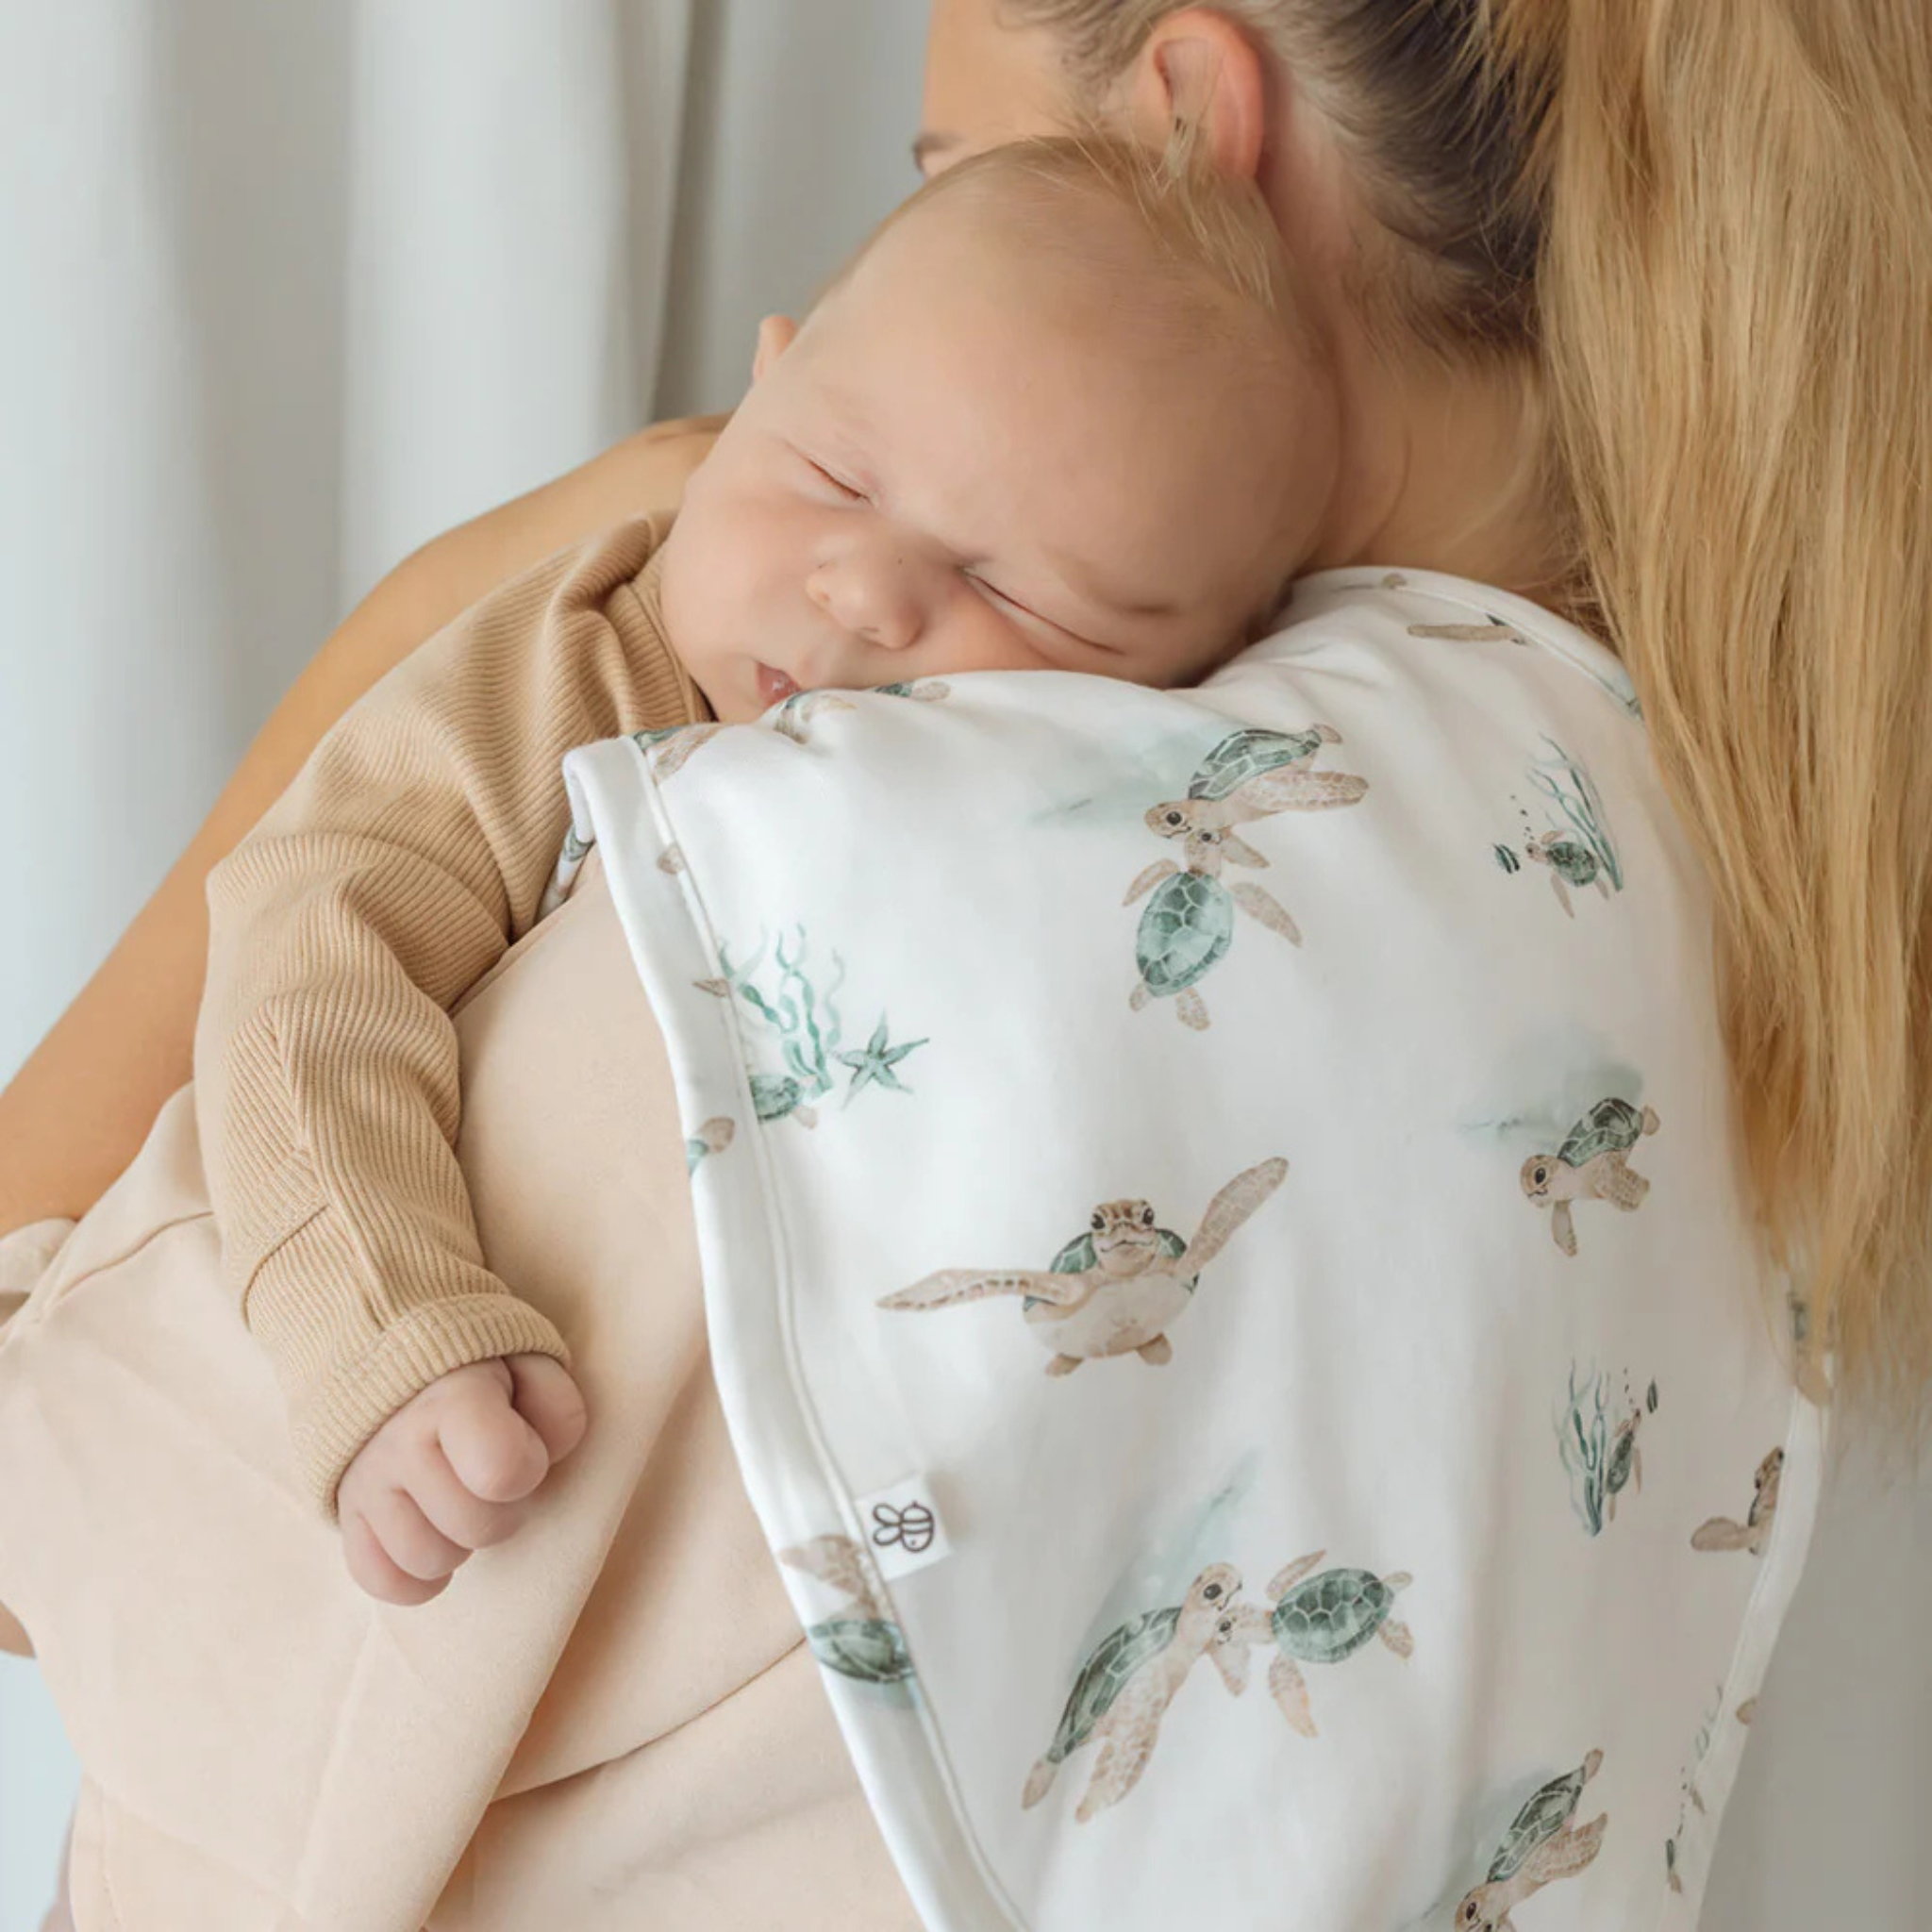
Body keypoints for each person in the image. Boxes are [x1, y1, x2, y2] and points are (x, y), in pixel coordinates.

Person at [0, 0, 1924, 1923]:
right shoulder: (1702, 876)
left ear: (1185, 119)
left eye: (950, 172)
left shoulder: (808, 902)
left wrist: (434, 625)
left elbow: (89, 1515)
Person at [192, 129, 1334, 1596]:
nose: (864, 591)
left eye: (1017, 592)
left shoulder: (1112, 826)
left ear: (1190, 677)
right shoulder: (565, 679)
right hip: (371, 1398)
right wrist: (387, 1332)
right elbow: (307, 962)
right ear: (762, 384)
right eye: (833, 475)